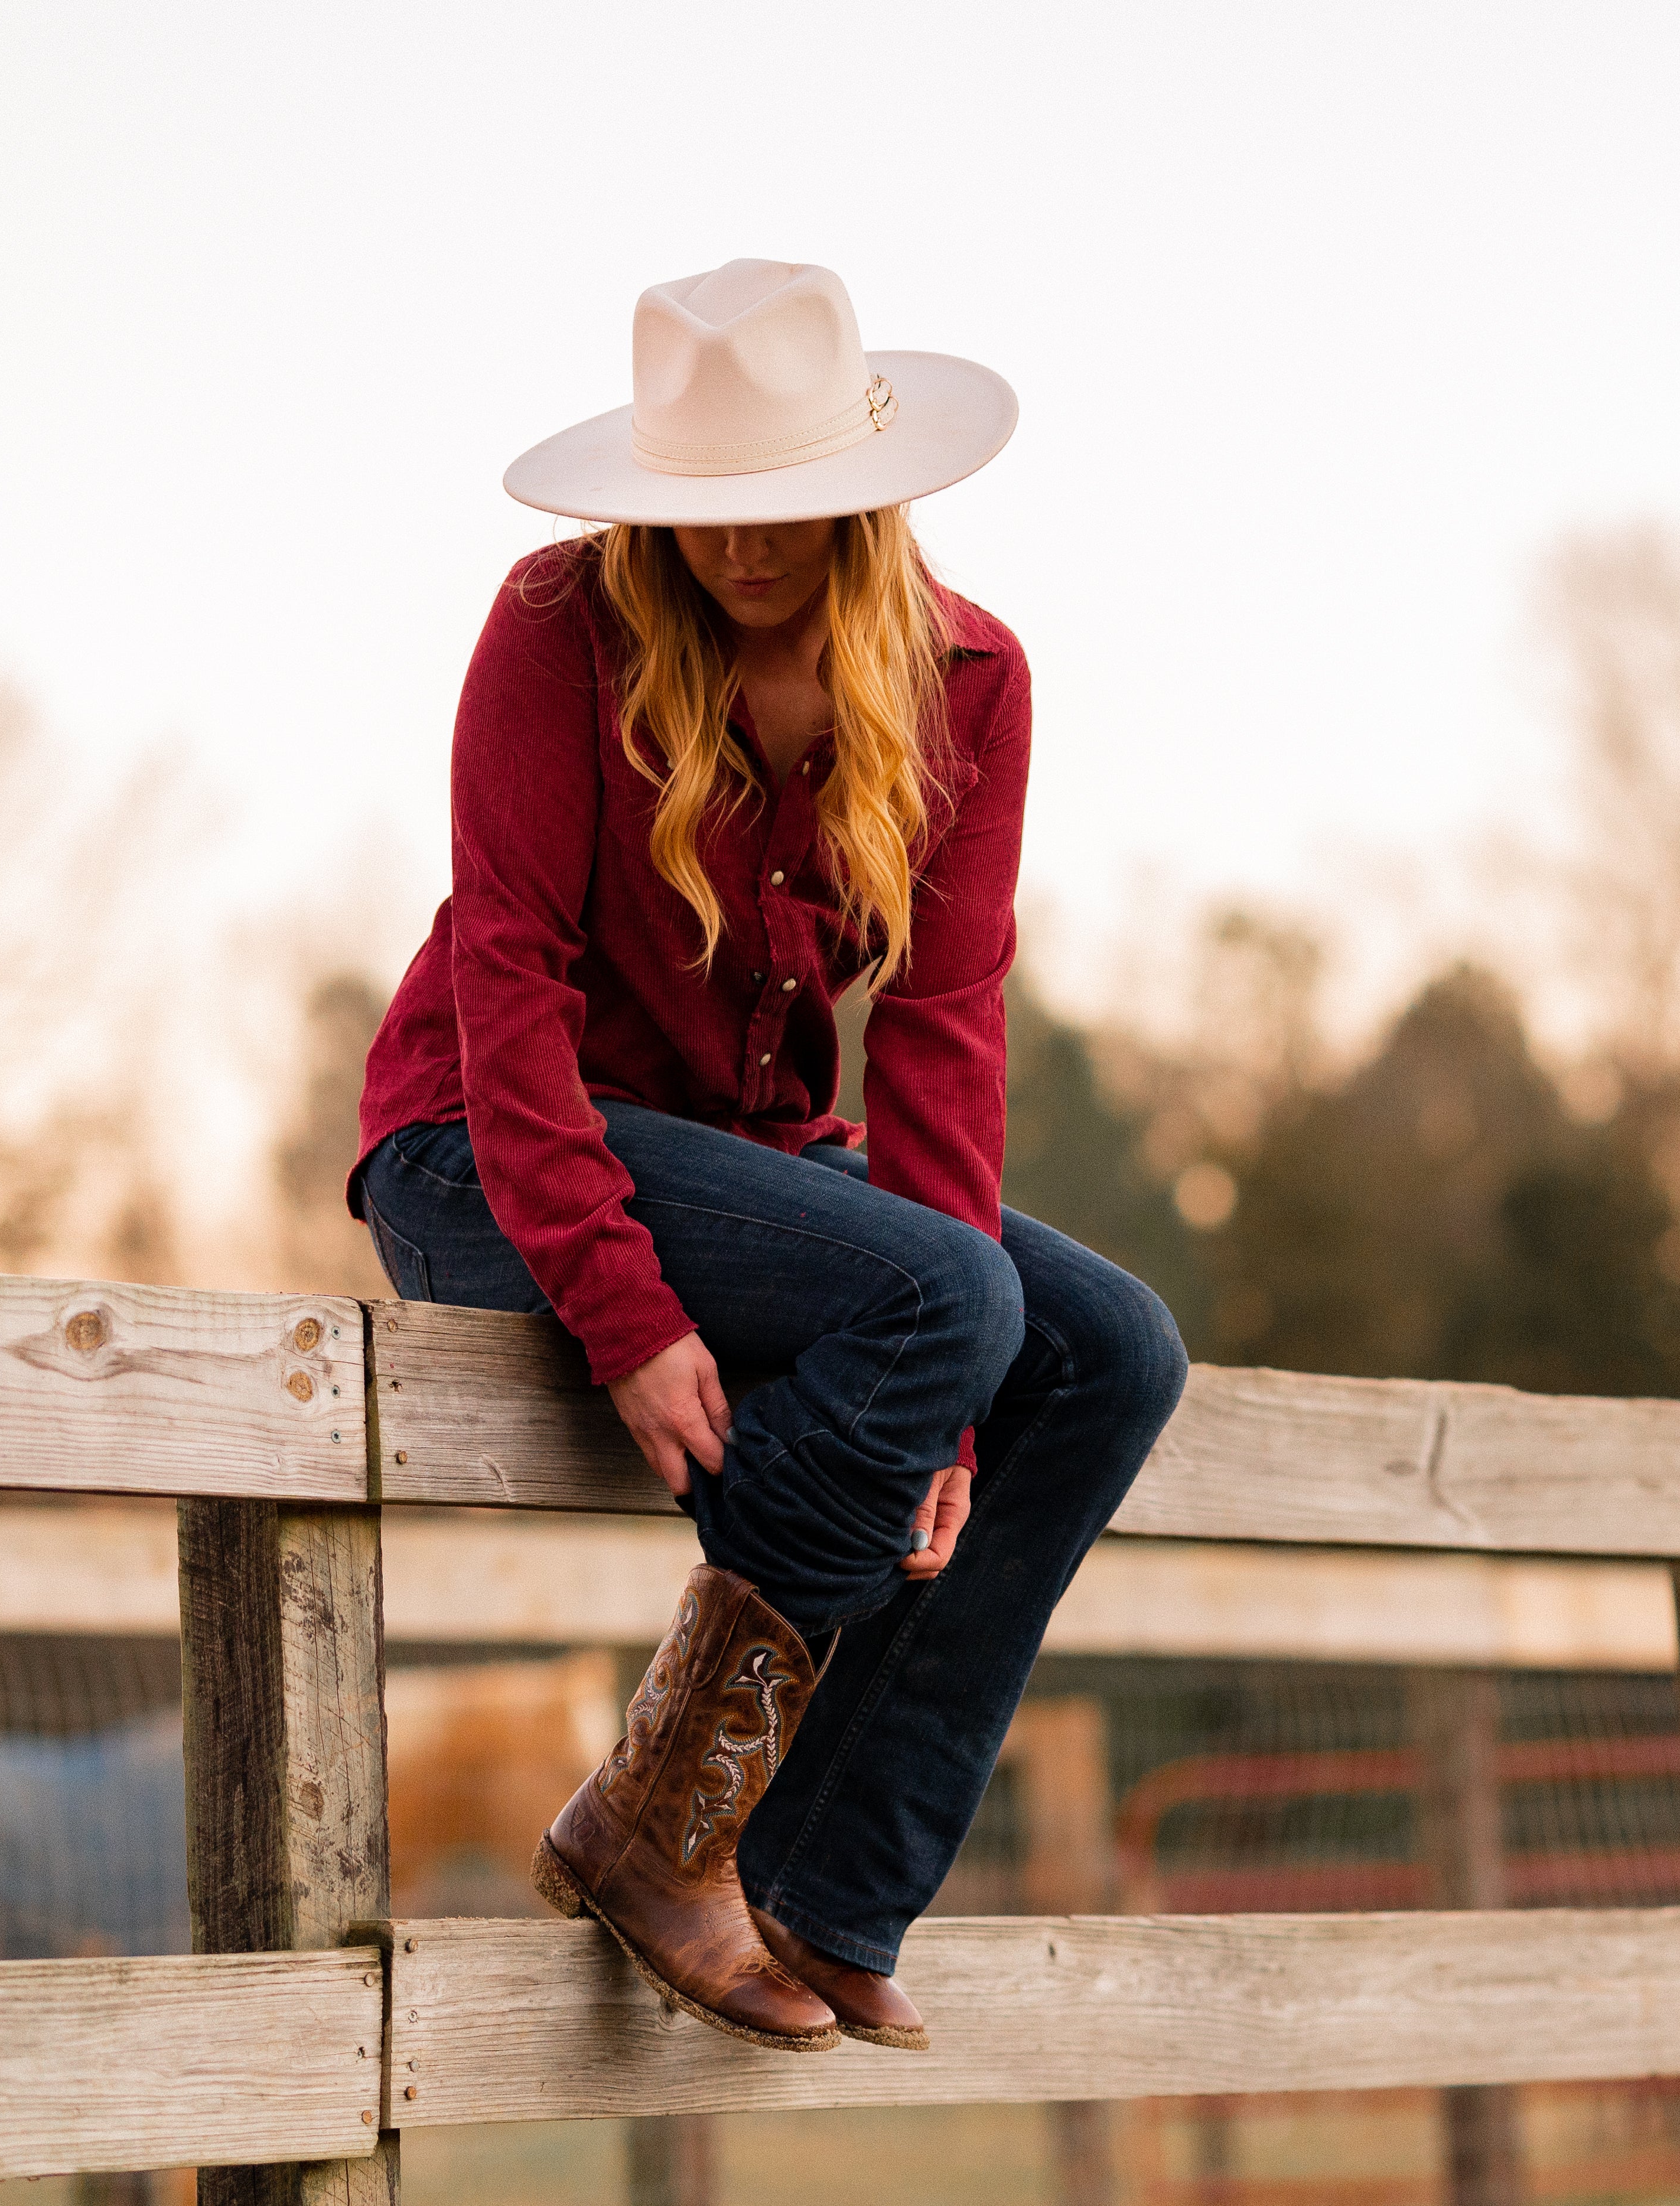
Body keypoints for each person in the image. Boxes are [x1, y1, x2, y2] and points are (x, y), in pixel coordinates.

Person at [349, 260, 1189, 2053]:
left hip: (754, 1176)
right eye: (699, 510)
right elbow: (506, 983)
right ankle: (662, 1822)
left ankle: (826, 1877)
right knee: (942, 1292)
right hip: (489, 1157)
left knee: (1109, 1349)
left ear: (866, 487)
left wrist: (957, 1405)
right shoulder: (556, 627)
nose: (736, 548)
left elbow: (949, 1033)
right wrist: (622, 1306)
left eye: (776, 508)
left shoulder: (972, 677)